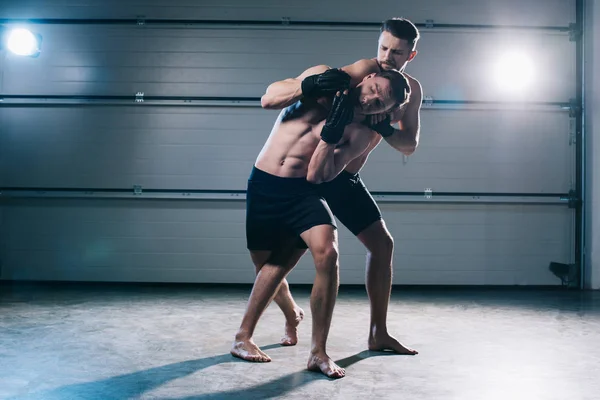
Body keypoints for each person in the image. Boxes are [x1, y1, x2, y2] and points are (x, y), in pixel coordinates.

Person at [235, 17, 424, 361]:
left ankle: (377, 333)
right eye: (383, 47)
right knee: (268, 261)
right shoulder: (360, 71)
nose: (387, 57)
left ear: (411, 55)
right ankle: (291, 314)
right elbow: (273, 97)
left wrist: (384, 128)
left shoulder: (409, 94)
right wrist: (309, 86)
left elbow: (409, 144)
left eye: (396, 53)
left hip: (341, 176)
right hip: (304, 171)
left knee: (380, 245)